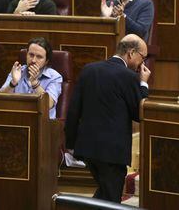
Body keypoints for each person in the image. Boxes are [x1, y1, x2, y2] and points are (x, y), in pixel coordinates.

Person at [64, 34, 151, 203]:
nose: (143, 63)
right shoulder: (129, 77)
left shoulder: (89, 69)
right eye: (143, 58)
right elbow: (139, 114)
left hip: (88, 148)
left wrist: (71, 144)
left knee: (105, 193)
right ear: (131, 53)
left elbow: (73, 110)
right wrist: (143, 85)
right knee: (111, 199)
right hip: (112, 153)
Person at [0, 37, 62, 119]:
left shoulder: (55, 77)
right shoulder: (17, 71)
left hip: (43, 124)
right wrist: (13, 83)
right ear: (26, 55)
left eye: (39, 57)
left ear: (46, 61)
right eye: (31, 55)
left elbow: (48, 104)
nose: (33, 60)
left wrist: (35, 84)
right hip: (17, 121)